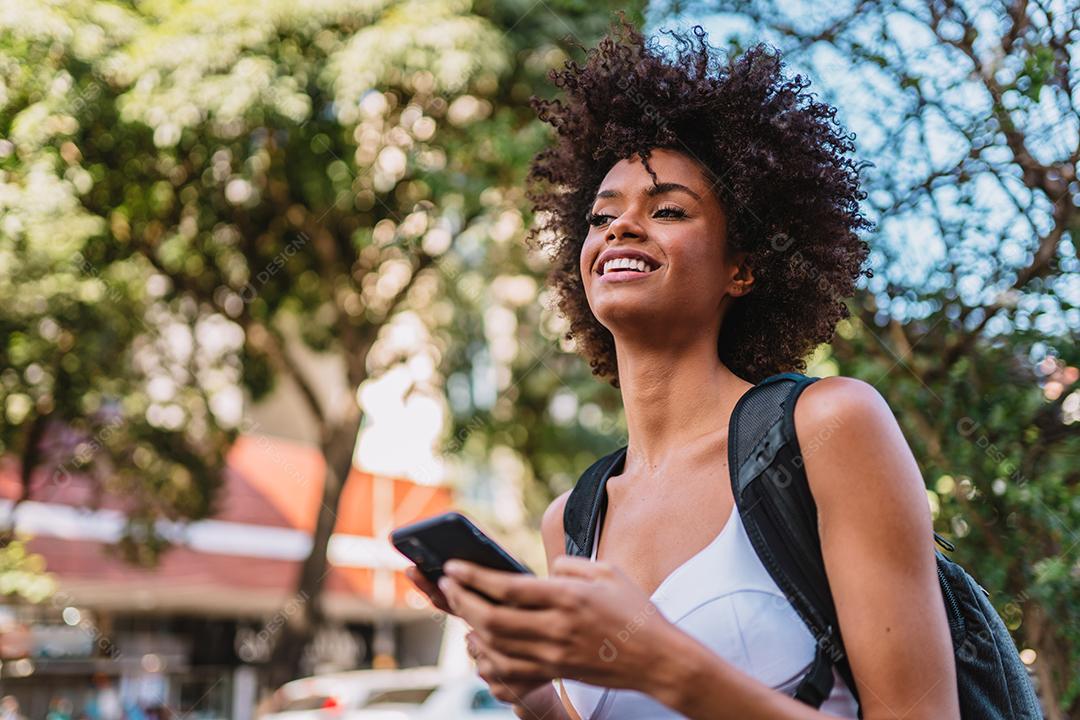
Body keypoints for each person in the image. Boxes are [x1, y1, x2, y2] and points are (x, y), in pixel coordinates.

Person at [406, 14, 960, 720]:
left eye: (667, 209)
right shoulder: (572, 518)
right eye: (601, 218)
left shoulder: (828, 429)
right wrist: (539, 697)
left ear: (743, 267)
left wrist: (660, 661)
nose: (622, 229)